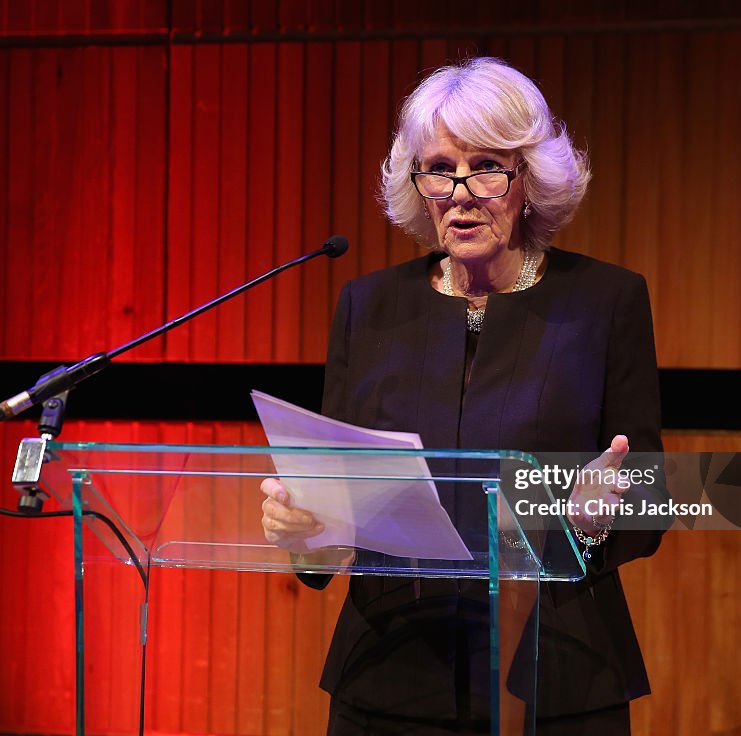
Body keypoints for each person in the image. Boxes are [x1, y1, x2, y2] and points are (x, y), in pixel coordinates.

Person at [260, 57, 665, 735]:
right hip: (390, 677)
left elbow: (648, 490)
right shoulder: (369, 306)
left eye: (487, 166)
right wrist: (307, 532)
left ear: (530, 178)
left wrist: (599, 514)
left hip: (554, 677)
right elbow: (336, 495)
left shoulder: (606, 302)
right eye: (439, 168)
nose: (461, 191)